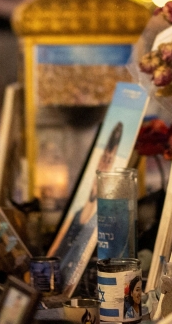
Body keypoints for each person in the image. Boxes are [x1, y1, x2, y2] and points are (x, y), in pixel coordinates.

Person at [50, 122, 124, 286]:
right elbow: (56, 248)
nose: (104, 165)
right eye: (103, 159)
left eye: (109, 160)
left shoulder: (104, 215)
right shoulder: (79, 210)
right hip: (56, 279)